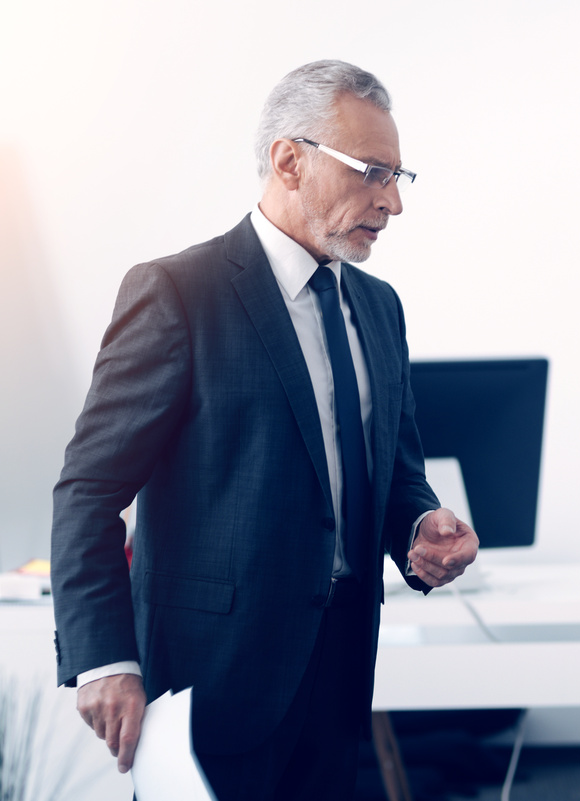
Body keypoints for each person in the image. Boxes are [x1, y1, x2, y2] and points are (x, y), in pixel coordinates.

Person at [50, 60, 478, 801]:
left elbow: (397, 469)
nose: (393, 203)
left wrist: (419, 522)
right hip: (208, 680)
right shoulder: (178, 293)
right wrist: (103, 659)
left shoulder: (379, 309)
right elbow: (87, 492)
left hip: (341, 671)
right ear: (289, 159)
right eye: (374, 173)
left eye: (400, 178)